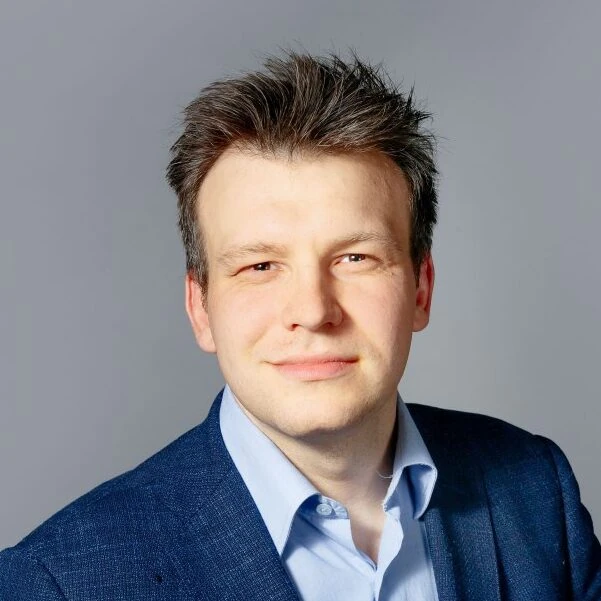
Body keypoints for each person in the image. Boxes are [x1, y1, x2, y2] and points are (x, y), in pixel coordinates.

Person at [1, 52, 599, 601]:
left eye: (355, 258)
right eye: (260, 266)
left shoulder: (535, 490)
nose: (313, 311)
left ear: (421, 288)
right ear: (200, 308)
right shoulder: (57, 583)